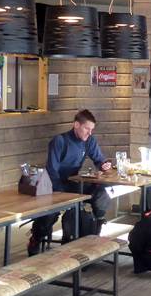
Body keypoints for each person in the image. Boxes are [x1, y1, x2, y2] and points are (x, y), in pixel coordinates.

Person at [27, 109, 113, 255]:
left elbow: (99, 159)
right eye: (87, 129)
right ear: (76, 125)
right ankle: (36, 238)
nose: (89, 133)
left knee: (102, 192)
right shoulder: (59, 141)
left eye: (91, 130)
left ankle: (96, 227)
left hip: (73, 183)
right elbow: (52, 170)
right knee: (51, 213)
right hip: (53, 185)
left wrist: (104, 164)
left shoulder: (89, 141)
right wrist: (62, 195)